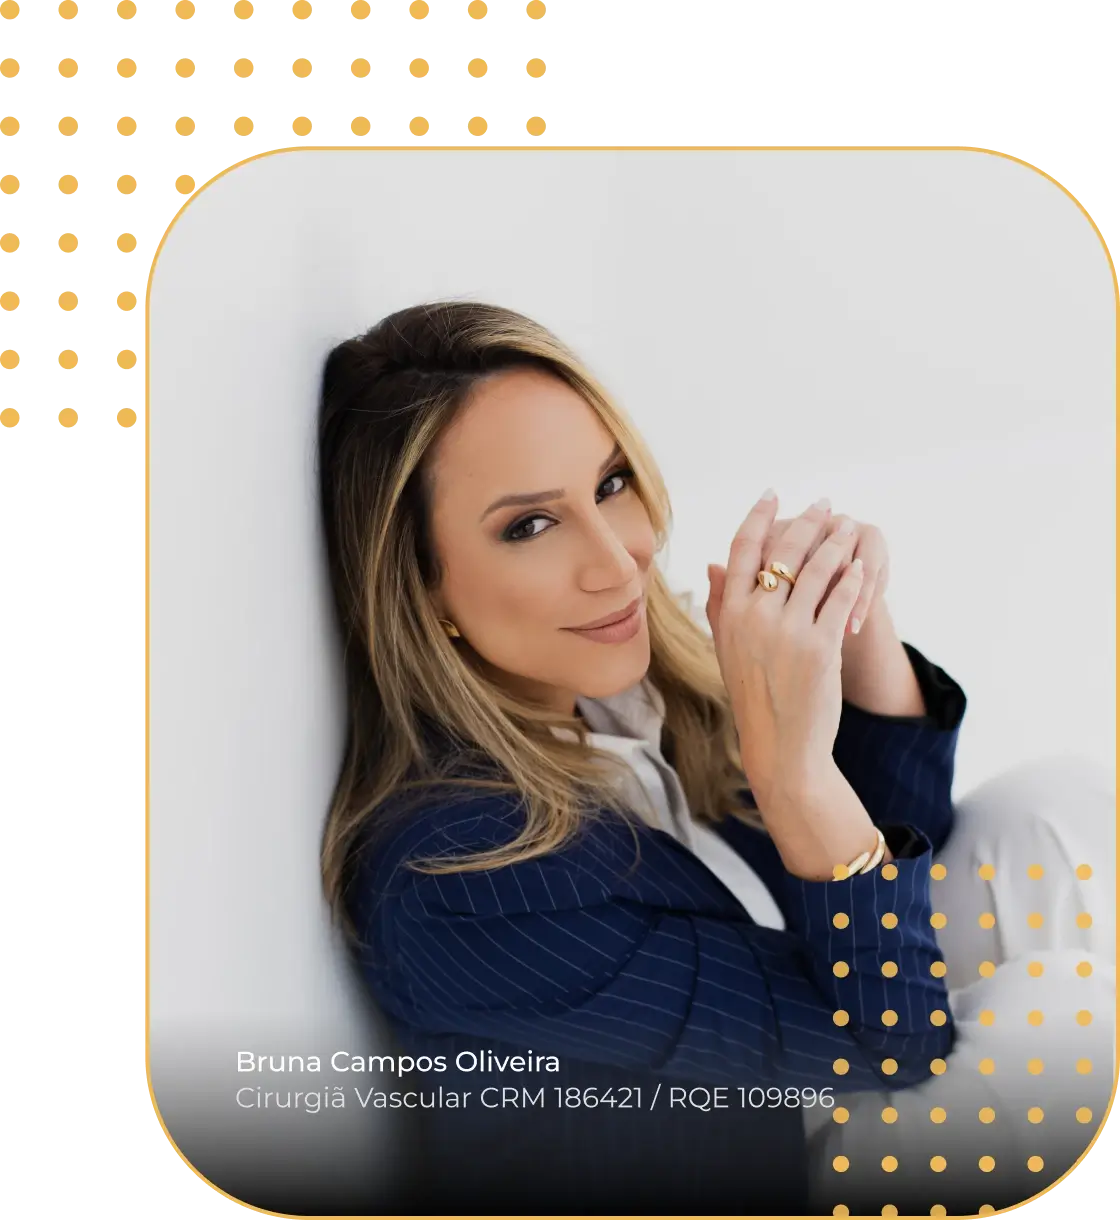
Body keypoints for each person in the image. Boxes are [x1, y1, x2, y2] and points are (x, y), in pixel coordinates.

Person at [316, 301, 1113, 1215]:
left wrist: (856, 627)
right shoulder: (465, 879)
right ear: (421, 584)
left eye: (611, 483)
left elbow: (897, 847)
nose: (618, 561)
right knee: (1072, 1021)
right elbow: (892, 1044)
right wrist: (792, 771)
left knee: (1060, 810)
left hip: (814, 1057)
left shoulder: (618, 689)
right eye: (530, 526)